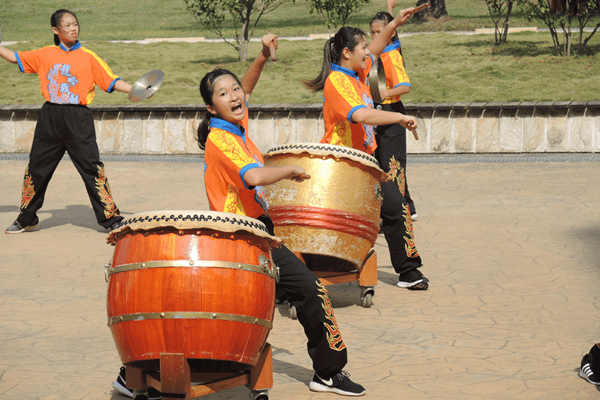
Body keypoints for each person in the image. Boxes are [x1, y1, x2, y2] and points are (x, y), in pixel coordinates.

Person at [303, 5, 430, 290]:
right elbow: (361, 115)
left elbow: (377, 45)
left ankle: (409, 272)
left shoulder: (359, 73)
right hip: (340, 167)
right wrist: (399, 116)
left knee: (397, 206)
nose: (367, 52)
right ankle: (303, 279)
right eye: (361, 46)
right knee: (337, 224)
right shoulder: (337, 82)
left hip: (364, 163)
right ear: (346, 53)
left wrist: (396, 22)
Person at [0, 9, 131, 234]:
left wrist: (138, 90)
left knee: (92, 168)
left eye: (75, 24)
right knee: (36, 168)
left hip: (78, 119)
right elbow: (14, 57)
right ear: (55, 30)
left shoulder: (89, 57)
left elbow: (111, 81)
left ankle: (111, 219)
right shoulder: (45, 54)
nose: (73, 28)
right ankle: (27, 218)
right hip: (50, 117)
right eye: (68, 25)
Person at [370, 0, 418, 221]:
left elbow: (405, 86)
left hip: (392, 112)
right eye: (372, 32)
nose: (375, 36)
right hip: (379, 114)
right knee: (382, 163)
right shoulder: (380, 53)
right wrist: (390, 8)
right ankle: (394, 209)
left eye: (379, 31)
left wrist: (383, 94)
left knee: (393, 165)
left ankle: (404, 209)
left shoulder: (391, 55)